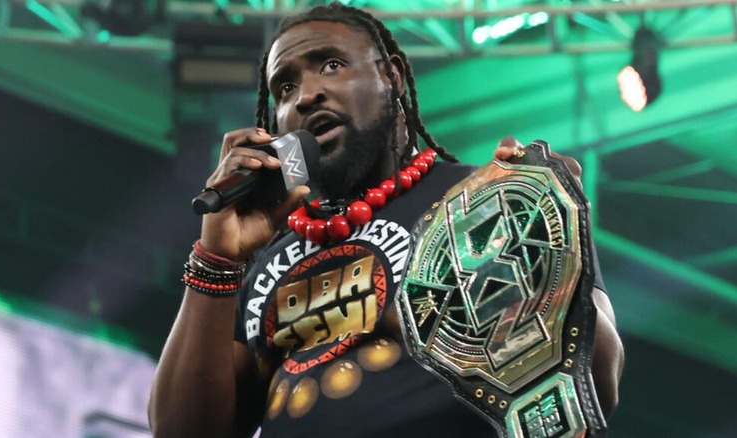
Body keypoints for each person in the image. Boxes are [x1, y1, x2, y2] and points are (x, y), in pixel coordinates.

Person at [148, 3, 624, 437]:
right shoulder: (263, 254)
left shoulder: (482, 200)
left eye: (331, 65)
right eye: (285, 88)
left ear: (392, 76)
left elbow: (600, 378)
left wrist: (541, 248)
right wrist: (217, 257)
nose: (307, 95)